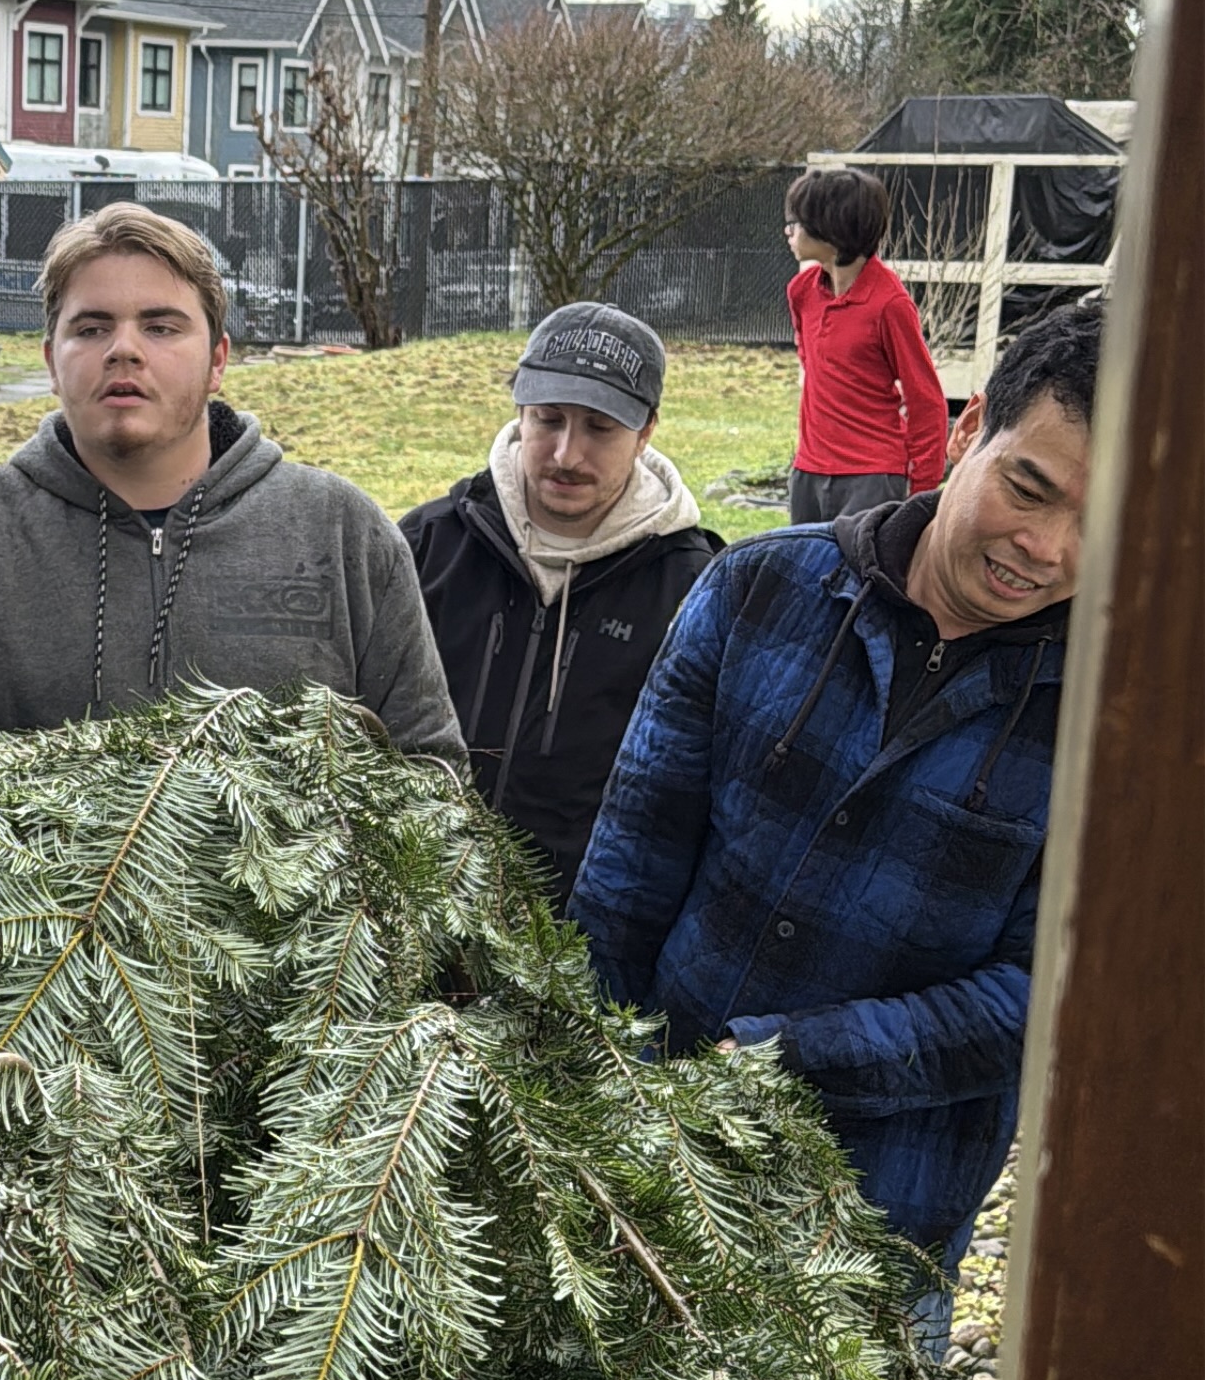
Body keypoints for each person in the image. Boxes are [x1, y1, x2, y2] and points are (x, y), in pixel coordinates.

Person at [570, 297, 1102, 1291]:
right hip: (651, 1166)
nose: (1045, 547)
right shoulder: (755, 590)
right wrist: (585, 1091)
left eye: (1099, 523)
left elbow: (1047, 1003)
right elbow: (629, 870)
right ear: (965, 427)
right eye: (1026, 487)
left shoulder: (1107, 727)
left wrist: (790, 1057)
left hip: (872, 1237)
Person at [0, 202, 466, 768]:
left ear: (218, 361)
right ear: (51, 361)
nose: (124, 349)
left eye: (161, 327)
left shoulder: (341, 531)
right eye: (92, 329)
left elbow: (427, 762)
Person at [399, 302, 720, 904]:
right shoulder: (423, 546)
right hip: (413, 910)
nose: (567, 455)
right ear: (519, 410)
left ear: (647, 429)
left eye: (600, 429)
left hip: (579, 936)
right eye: (548, 420)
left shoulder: (694, 591)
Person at [783, 166, 948, 524]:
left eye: (798, 221)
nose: (788, 230)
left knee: (861, 579)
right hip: (808, 473)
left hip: (872, 479)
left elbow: (927, 400)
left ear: (833, 229)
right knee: (801, 575)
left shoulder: (890, 304)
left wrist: (920, 494)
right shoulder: (800, 292)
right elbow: (812, 362)